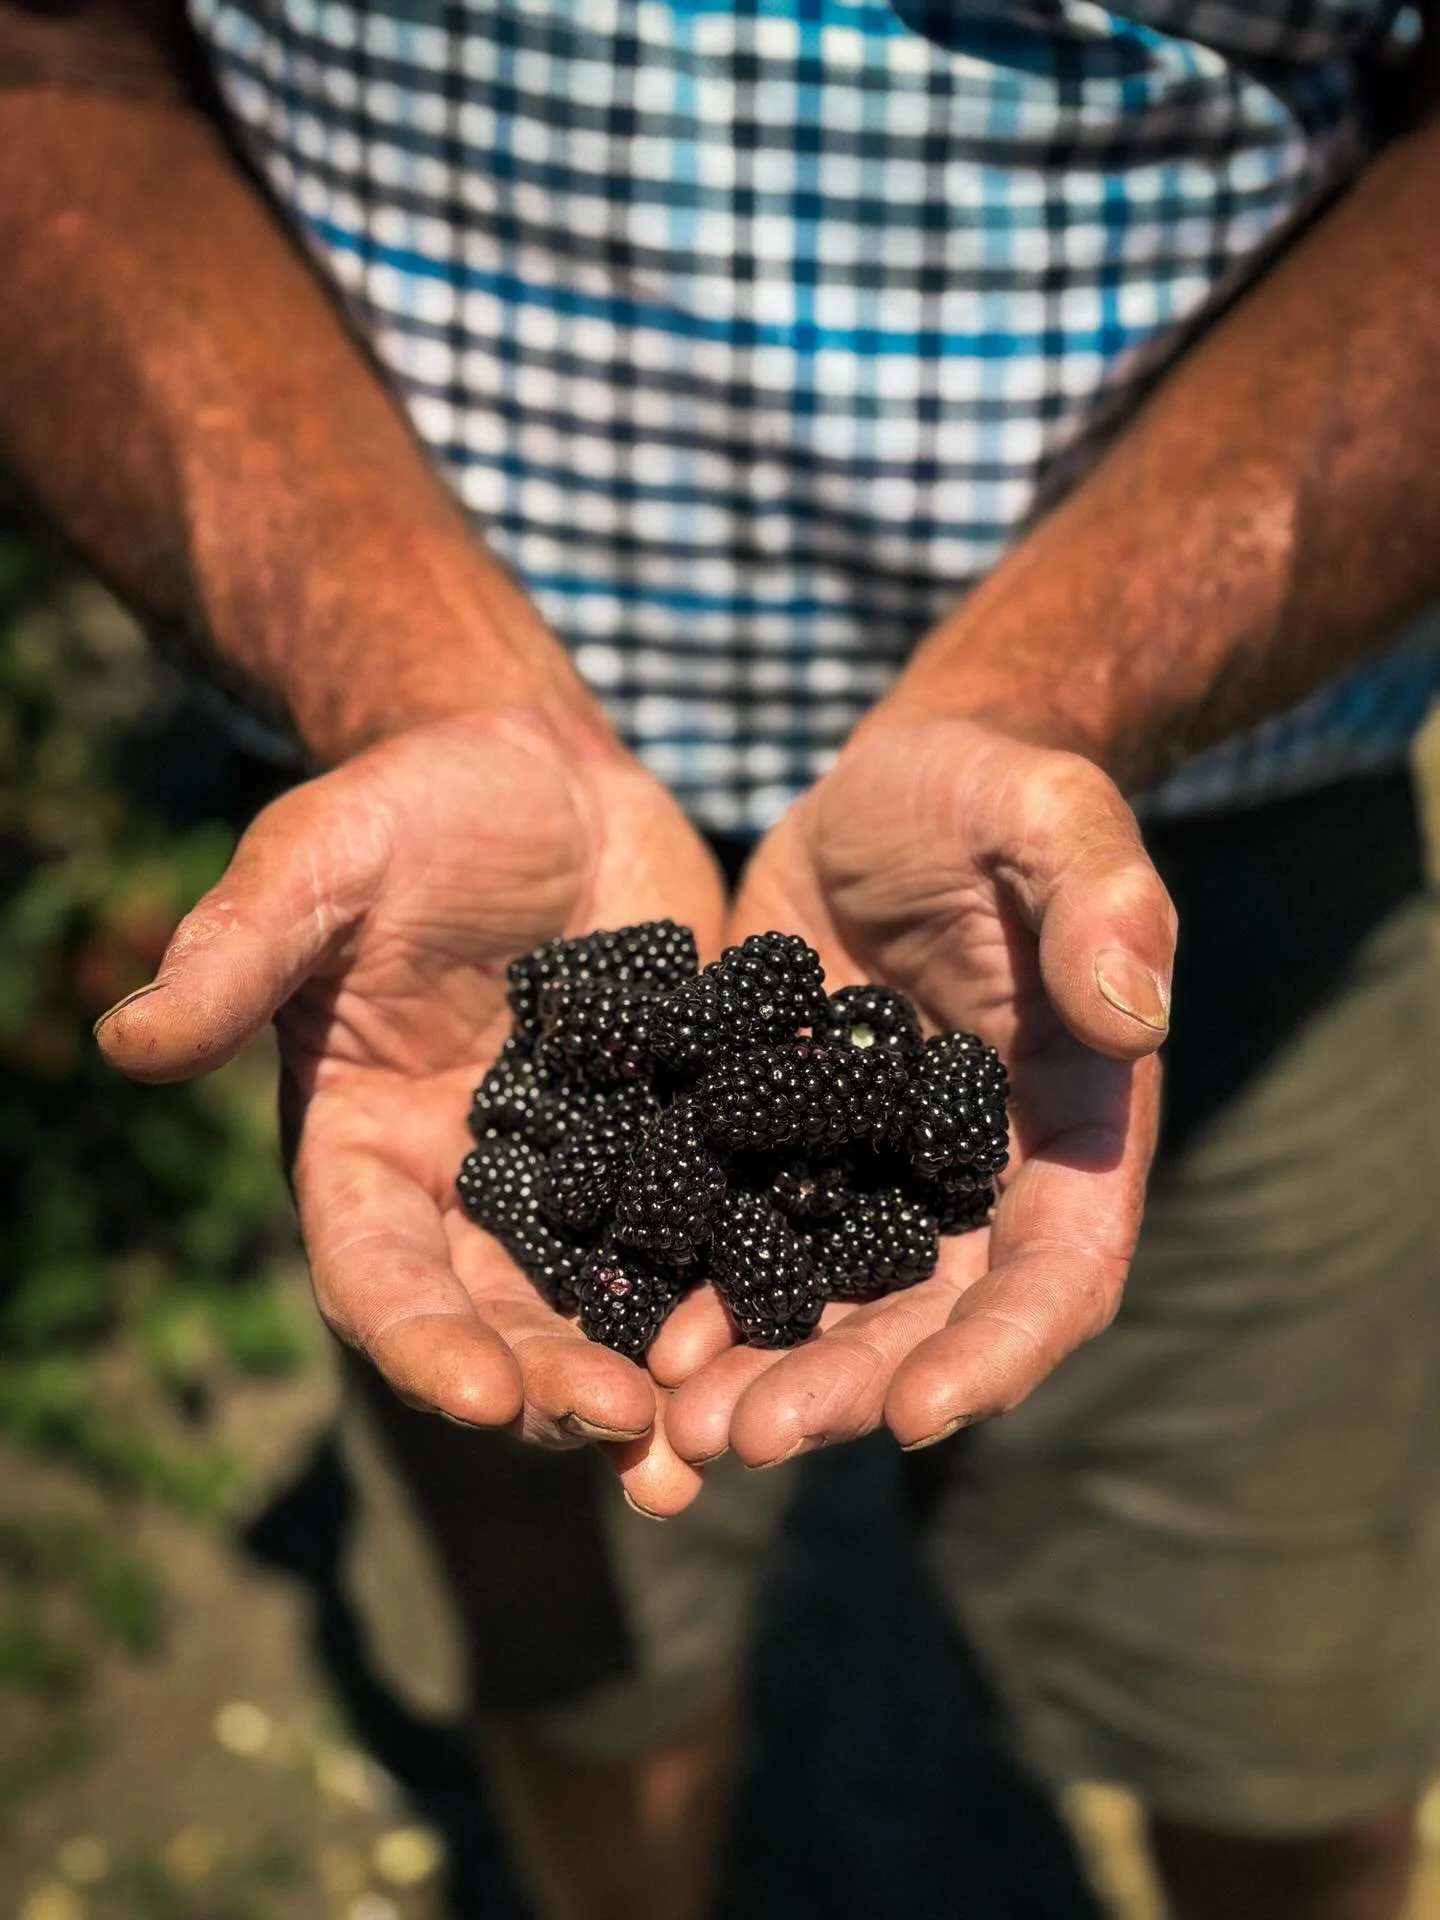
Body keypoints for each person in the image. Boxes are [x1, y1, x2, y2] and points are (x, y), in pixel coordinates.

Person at [3, 0, 1440, 1914]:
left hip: (1202, 838)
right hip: (459, 871)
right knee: (586, 1683)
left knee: (1293, 1724)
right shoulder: (566, 1082)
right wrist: (418, 682)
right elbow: (49, 65)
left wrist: (1049, 693)